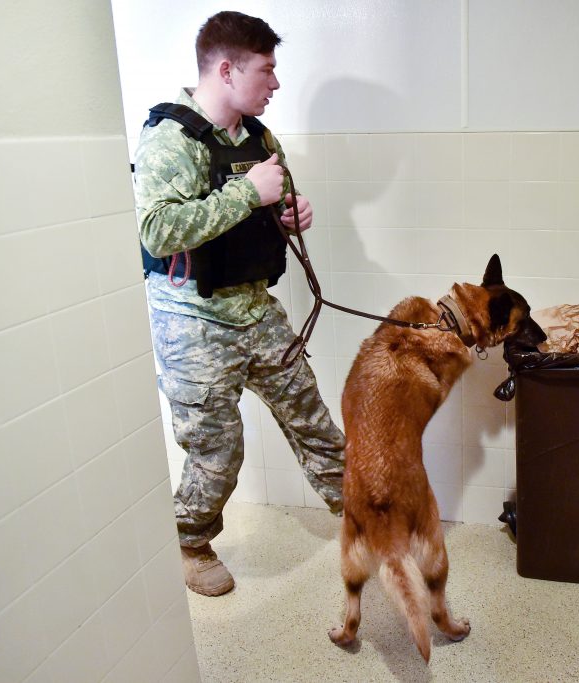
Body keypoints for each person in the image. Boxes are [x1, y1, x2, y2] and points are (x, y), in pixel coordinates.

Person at [132, 11, 345, 597]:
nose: (275, 84)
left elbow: (280, 197)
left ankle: (362, 517)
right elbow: (155, 230)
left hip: (255, 309)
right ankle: (191, 542)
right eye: (267, 70)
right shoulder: (170, 138)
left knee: (315, 421)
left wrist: (291, 213)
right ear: (227, 70)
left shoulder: (258, 136)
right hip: (192, 323)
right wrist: (246, 194)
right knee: (218, 452)